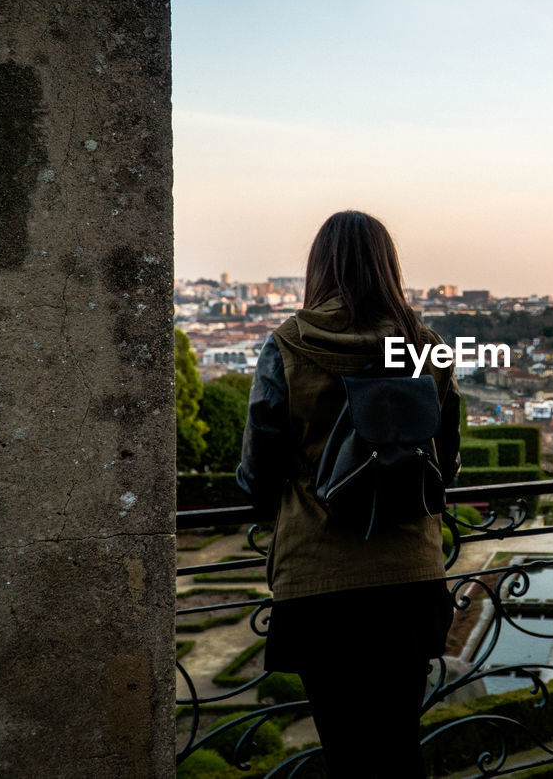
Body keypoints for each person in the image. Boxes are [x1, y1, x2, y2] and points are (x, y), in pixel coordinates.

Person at [236, 210, 460, 778]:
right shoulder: (425, 346)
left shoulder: (288, 344)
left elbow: (259, 470)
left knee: (346, 755)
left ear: (319, 267)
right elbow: (446, 462)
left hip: (320, 580)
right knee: (398, 749)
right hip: (410, 575)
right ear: (388, 266)